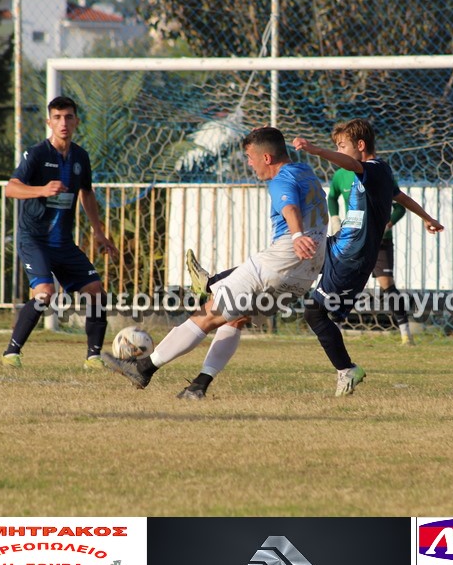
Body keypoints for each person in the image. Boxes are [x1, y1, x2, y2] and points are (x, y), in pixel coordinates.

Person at [101, 125, 329, 399]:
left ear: (267, 158)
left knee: (207, 314)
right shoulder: (304, 170)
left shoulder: (280, 179)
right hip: (307, 271)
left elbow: (289, 207)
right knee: (235, 319)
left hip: (283, 257)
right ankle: (199, 386)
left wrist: (296, 235)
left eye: (250, 157)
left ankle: (143, 368)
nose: (249, 163)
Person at [292, 118, 443, 396]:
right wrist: (427, 217)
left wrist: (316, 150)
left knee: (315, 313)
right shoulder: (379, 172)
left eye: (342, 146)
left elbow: (354, 166)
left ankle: (347, 369)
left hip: (352, 258)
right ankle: (220, 284)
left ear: (360, 145)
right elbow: (401, 197)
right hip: (338, 245)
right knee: (287, 257)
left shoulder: (372, 169)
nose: (339, 151)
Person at [1, 95, 117, 370]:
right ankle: (11, 353)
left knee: (96, 291)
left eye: (68, 117)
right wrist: (42, 190)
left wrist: (99, 233)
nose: (63, 122)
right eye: (57, 117)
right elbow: (11, 188)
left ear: (76, 121)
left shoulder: (80, 157)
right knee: (44, 293)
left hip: (63, 242)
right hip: (34, 239)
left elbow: (86, 193)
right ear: (49, 122)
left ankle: (93, 357)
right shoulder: (36, 154)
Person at [328, 168, 414, 344]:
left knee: (387, 284)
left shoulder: (378, 173)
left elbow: (400, 207)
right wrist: (335, 218)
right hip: (355, 239)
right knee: (346, 281)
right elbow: (332, 197)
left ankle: (406, 334)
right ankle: (335, 329)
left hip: (380, 240)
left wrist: (386, 225)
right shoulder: (341, 174)